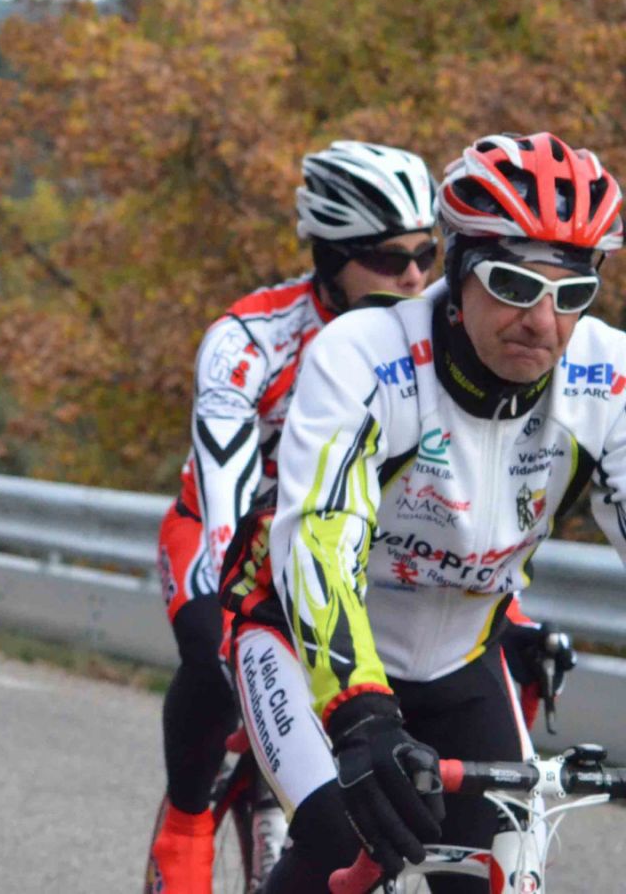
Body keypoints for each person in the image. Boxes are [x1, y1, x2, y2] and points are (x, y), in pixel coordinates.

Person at [220, 132, 626, 892]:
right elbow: (319, 540)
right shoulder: (364, 354)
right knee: (342, 839)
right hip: (304, 644)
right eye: (514, 286)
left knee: (493, 873)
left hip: (459, 662)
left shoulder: (607, 378)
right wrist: (359, 715)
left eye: (571, 295)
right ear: (461, 269)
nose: (543, 322)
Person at [146, 141, 438, 894]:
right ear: (330, 256)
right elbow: (226, 502)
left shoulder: (441, 341)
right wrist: (229, 623)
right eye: (388, 258)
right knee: (213, 652)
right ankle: (186, 821)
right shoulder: (248, 341)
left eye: (427, 254)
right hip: (227, 536)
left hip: (350, 544)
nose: (414, 277)